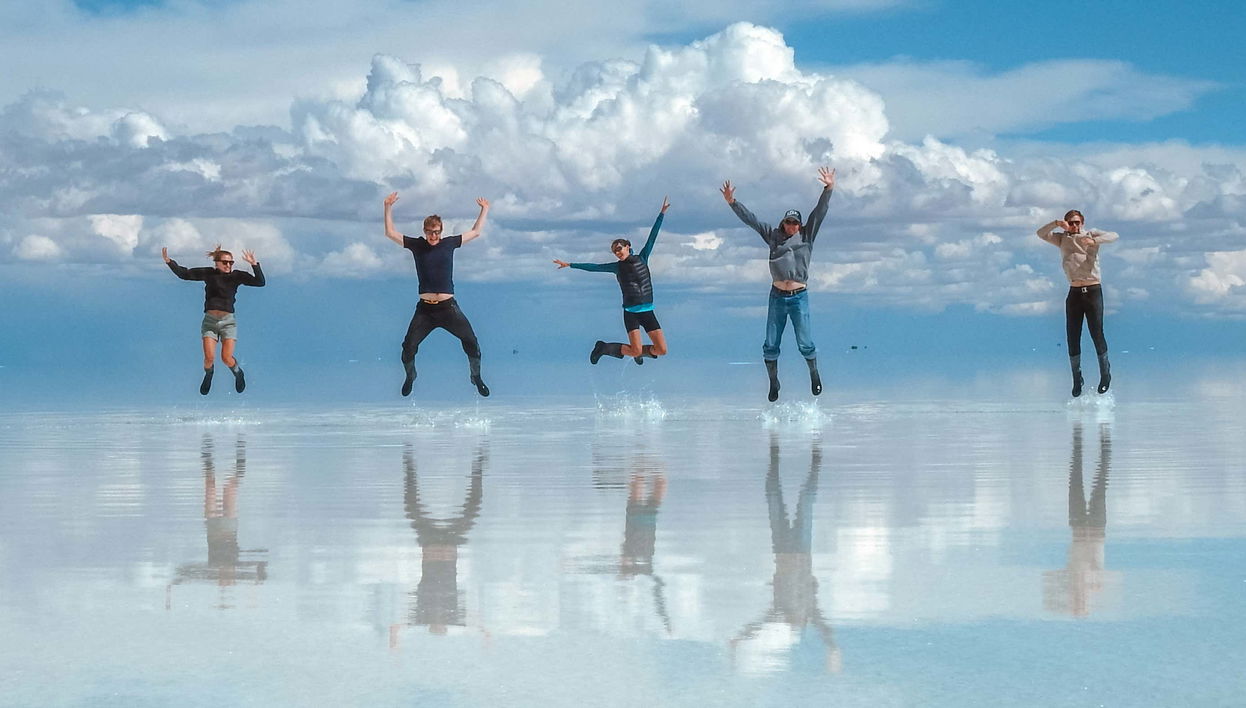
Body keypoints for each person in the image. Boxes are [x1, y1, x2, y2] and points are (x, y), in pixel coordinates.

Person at [721, 168, 835, 401]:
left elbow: (820, 212)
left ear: (800, 225)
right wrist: (733, 202)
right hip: (777, 296)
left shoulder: (806, 236)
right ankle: (774, 383)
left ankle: (814, 374)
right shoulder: (774, 236)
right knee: (771, 343)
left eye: (795, 223)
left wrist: (829, 188)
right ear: (783, 223)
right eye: (788, 222)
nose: (791, 226)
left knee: (805, 341)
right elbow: (752, 220)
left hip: (799, 296)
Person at [384, 192, 491, 397]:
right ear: (425, 231)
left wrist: (484, 209)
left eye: (437, 232)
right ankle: (410, 376)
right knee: (408, 347)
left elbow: (476, 232)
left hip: (448, 308)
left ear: (441, 232)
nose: (434, 236)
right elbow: (390, 233)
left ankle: (475, 377)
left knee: (471, 342)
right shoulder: (417, 245)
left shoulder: (449, 243)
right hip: (425, 310)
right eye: (430, 232)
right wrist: (388, 206)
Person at [553, 197, 671, 366]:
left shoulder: (642, 258)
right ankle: (604, 348)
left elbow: (653, 236)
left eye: (619, 249)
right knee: (634, 350)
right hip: (631, 313)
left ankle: (641, 353)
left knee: (661, 350)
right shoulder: (616, 267)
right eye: (614, 251)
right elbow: (593, 267)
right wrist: (570, 264)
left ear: (627, 246)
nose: (617, 253)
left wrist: (662, 213)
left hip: (648, 311)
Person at [162, 245, 265, 395]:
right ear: (216, 263)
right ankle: (209, 374)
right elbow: (184, 274)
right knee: (209, 358)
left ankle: (238, 373)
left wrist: (254, 264)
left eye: (231, 262)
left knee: (226, 358)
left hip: (228, 322)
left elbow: (260, 282)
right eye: (225, 262)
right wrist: (169, 261)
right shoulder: (209, 273)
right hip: (210, 322)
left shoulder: (237, 276)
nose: (228, 265)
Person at [1037, 210, 1119, 396]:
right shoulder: (1061, 239)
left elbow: (1114, 236)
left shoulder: (1090, 234)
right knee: (1072, 337)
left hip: (1092, 290)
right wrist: (1056, 223)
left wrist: (1094, 241)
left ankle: (1105, 374)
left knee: (1096, 334)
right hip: (1074, 292)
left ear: (1082, 222)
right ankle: (1077, 378)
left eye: (1077, 223)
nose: (1074, 226)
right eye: (1071, 223)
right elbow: (1040, 234)